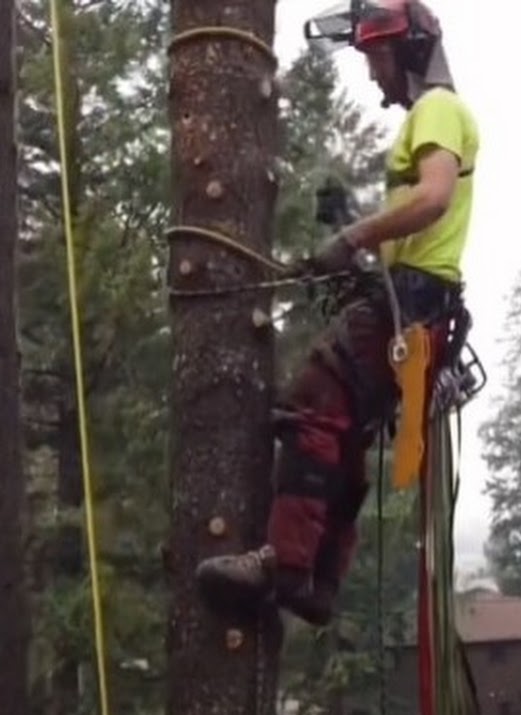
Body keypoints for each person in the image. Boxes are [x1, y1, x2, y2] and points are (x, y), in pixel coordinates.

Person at [196, 0, 479, 627]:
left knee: (312, 406)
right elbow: (420, 221)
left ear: (404, 52)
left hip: (411, 300)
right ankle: (319, 581)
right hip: (415, 301)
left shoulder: (438, 111)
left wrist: (353, 237)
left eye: (376, 57)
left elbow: (433, 198)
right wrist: (357, 242)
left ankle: (283, 561)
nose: (372, 75)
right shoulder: (435, 116)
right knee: (343, 435)